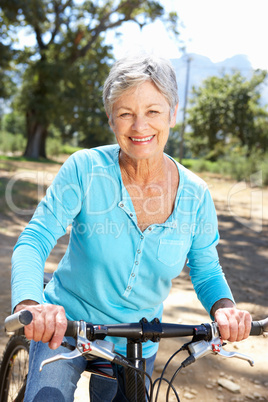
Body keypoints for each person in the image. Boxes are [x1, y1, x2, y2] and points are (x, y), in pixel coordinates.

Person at [11, 54, 252, 401]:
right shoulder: (85, 169)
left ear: (173, 112)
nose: (140, 127)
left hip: (139, 337)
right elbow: (34, 239)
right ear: (111, 118)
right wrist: (32, 304)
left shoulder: (196, 194)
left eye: (153, 111)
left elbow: (205, 267)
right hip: (67, 327)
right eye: (126, 114)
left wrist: (224, 309)